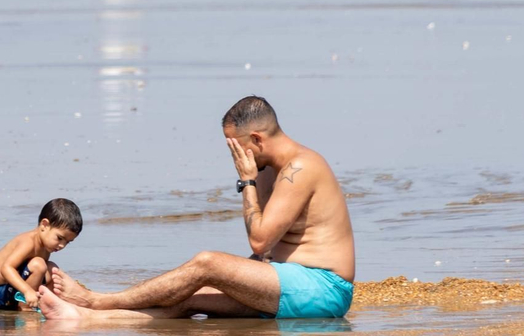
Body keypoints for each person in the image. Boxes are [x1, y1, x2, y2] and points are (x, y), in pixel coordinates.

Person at [39, 95, 355, 321]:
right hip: (287, 284)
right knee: (188, 296)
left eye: (236, 146)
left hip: (322, 288)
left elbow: (260, 240)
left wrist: (246, 183)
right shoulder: (272, 170)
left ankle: (97, 300)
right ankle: (85, 319)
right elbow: (267, 252)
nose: (235, 156)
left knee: (207, 263)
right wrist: (237, 279)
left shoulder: (300, 168)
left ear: (256, 139)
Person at [0, 198, 82, 310]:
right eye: (60, 238)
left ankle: (46, 304)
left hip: (16, 291)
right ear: (44, 225)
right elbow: (6, 268)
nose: (62, 245)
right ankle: (26, 308)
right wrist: (27, 291)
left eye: (67, 242)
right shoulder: (29, 242)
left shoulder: (46, 246)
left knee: (53, 270)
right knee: (38, 265)